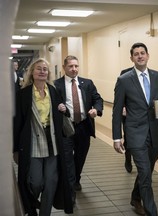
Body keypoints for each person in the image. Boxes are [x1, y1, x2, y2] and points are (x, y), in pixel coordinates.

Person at [112, 42, 158, 216]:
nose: (140, 56)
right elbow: (117, 111)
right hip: (135, 134)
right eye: (136, 54)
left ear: (148, 55)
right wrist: (117, 137)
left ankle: (135, 197)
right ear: (131, 58)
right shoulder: (124, 80)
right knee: (145, 174)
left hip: (155, 133)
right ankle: (151, 212)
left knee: (148, 170)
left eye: (142, 53)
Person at [13, 58, 73, 216]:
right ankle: (32, 202)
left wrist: (63, 109)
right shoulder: (23, 95)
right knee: (36, 182)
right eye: (38, 69)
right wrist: (15, 149)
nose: (42, 72)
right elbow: (17, 122)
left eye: (45, 69)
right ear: (32, 72)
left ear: (48, 73)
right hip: (33, 142)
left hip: (53, 141)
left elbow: (64, 114)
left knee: (51, 181)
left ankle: (45, 213)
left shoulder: (53, 91)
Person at [54, 55, 103, 204]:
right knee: (68, 160)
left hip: (83, 126)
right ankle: (70, 193)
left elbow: (98, 99)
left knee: (80, 157)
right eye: (71, 66)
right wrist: (58, 107)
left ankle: (76, 178)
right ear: (64, 67)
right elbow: (51, 104)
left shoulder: (87, 83)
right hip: (66, 127)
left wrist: (96, 110)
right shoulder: (56, 85)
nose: (74, 69)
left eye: (76, 66)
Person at [120, 67, 134, 173]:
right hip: (127, 114)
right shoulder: (125, 73)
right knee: (128, 139)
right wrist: (123, 106)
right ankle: (128, 159)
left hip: (141, 115)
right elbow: (120, 94)